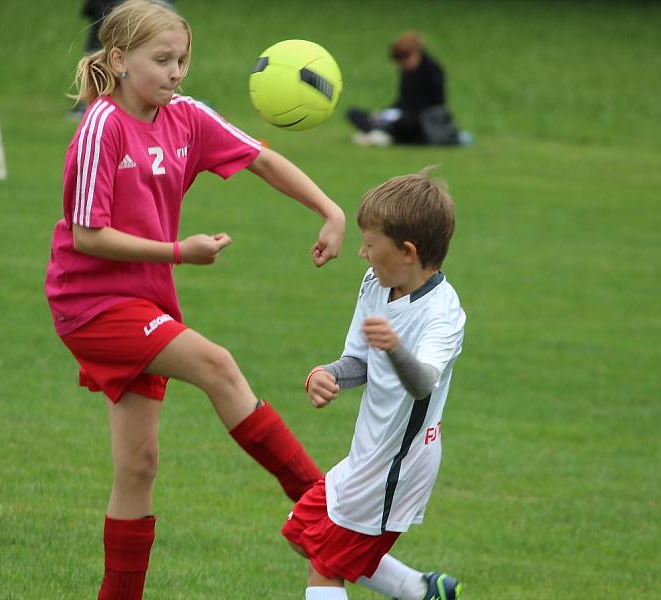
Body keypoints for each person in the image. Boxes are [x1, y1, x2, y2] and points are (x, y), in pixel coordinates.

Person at [44, 1, 345, 598]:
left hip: (147, 302)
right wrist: (180, 252)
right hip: (92, 303)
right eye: (162, 60)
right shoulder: (102, 124)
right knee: (217, 364)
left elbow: (261, 158)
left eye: (182, 59)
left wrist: (330, 210)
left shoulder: (184, 117)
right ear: (119, 59)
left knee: (138, 467)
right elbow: (87, 235)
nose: (176, 72)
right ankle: (328, 517)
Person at [282, 171, 466, 600]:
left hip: (398, 467)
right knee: (300, 533)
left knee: (325, 568)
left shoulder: (443, 314)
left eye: (370, 243)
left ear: (406, 252)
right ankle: (420, 591)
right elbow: (360, 362)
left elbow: (422, 383)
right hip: (367, 455)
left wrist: (398, 348)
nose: (361, 253)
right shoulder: (377, 284)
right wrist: (325, 374)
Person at [347, 32, 470, 147]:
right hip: (401, 114)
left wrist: (405, 112)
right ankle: (383, 132)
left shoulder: (434, 70)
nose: (403, 67)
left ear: (414, 54)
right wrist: (385, 112)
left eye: (404, 62)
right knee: (354, 113)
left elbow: (438, 104)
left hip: (422, 119)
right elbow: (402, 99)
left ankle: (383, 133)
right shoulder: (406, 72)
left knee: (406, 122)